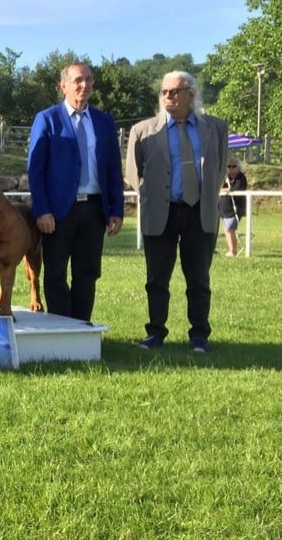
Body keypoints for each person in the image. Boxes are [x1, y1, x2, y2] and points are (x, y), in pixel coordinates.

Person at [126, 71, 228, 353]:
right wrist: (152, 195)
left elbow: (219, 168)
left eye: (173, 91)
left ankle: (199, 336)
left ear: (190, 94)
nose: (166, 97)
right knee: (156, 278)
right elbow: (134, 174)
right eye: (163, 92)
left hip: (200, 212)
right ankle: (155, 332)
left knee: (198, 278)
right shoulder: (143, 130)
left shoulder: (216, 128)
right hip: (161, 212)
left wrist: (205, 194)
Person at [27, 63, 124, 322]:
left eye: (89, 80)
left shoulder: (104, 121)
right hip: (58, 212)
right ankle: (61, 328)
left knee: (87, 272)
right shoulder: (47, 119)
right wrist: (43, 210)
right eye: (78, 80)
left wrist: (116, 209)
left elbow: (114, 169)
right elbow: (35, 171)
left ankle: (81, 328)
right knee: (56, 272)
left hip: (94, 209)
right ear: (63, 86)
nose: (85, 85)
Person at [219, 157, 248, 257]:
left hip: (236, 209)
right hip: (224, 209)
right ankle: (231, 250)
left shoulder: (241, 177)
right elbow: (218, 188)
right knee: (227, 229)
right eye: (229, 166)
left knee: (229, 228)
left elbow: (236, 189)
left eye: (234, 166)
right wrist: (224, 178)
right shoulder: (226, 178)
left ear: (238, 167)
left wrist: (224, 190)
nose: (231, 169)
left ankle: (233, 251)